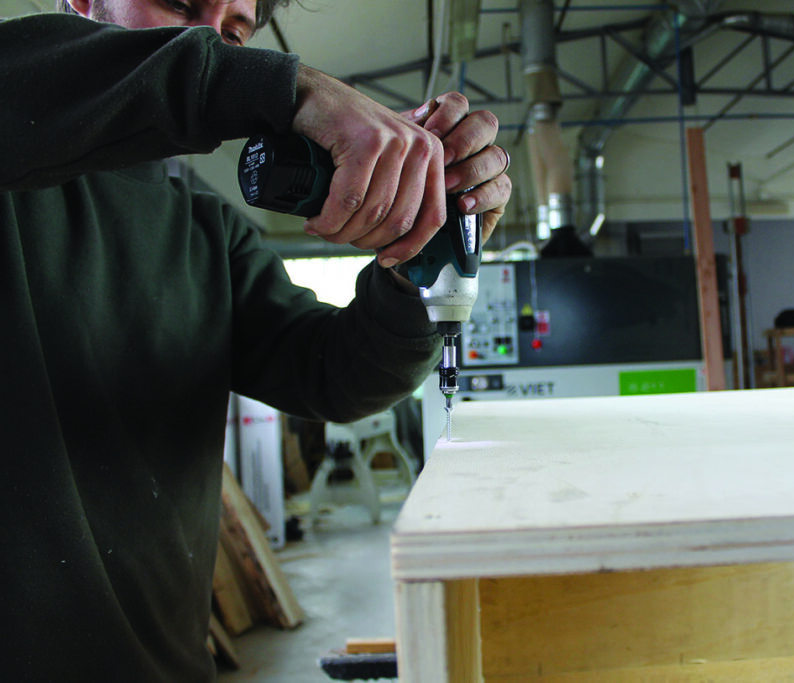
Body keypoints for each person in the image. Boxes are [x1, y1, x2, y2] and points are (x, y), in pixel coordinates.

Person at [0, 1, 511, 680]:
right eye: (180, 2)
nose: (210, 39)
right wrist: (290, 87)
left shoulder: (207, 234)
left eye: (236, 32)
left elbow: (335, 372)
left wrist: (415, 260)